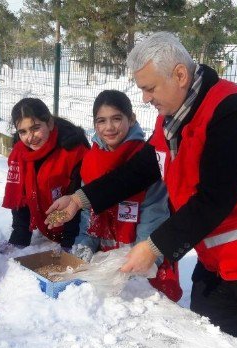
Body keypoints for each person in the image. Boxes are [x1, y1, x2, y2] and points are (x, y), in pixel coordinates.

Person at [46, 32, 237, 348]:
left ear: (180, 75)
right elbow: (143, 168)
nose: (145, 97)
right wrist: (80, 199)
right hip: (220, 262)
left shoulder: (236, 113)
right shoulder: (172, 117)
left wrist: (152, 247)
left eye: (150, 88)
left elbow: (214, 200)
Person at [72, 90, 182, 302]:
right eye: (101, 121)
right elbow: (89, 213)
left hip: (144, 256)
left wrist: (139, 262)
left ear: (131, 119)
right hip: (108, 256)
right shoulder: (91, 161)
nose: (109, 127)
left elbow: (154, 217)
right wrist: (85, 243)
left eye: (116, 119)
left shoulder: (146, 158)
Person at [1, 98, 89, 251]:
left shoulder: (73, 151)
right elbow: (21, 200)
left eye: (35, 128)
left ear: (49, 123)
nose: (30, 137)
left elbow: (78, 202)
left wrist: (68, 244)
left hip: (76, 232)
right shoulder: (19, 155)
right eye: (22, 131)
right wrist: (20, 238)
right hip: (47, 227)